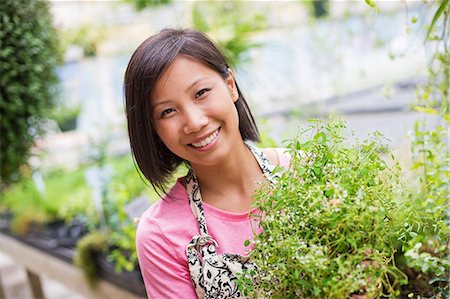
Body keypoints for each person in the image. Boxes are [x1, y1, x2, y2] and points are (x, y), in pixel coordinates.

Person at [124, 28, 290, 298]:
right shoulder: (160, 235)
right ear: (152, 129)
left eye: (201, 92)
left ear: (230, 85)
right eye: (168, 111)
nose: (194, 122)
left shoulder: (303, 170)